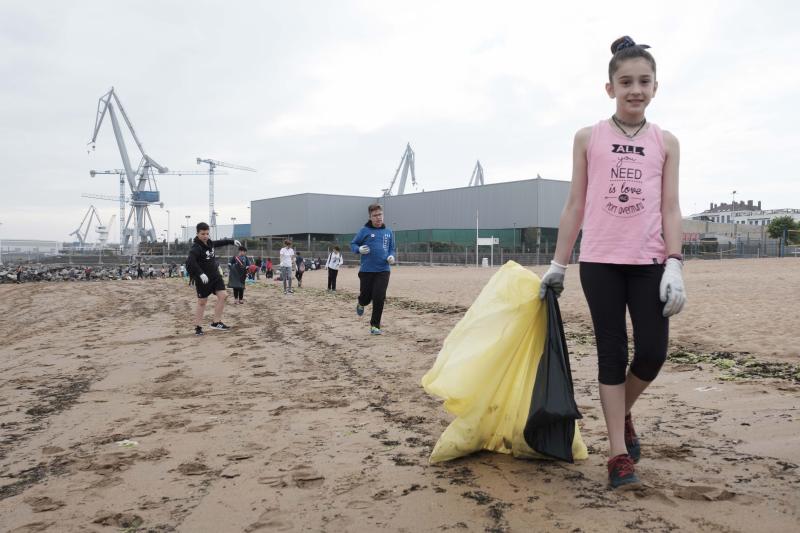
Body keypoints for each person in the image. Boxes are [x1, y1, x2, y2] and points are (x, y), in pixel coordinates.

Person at [539, 36, 686, 490]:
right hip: (600, 262)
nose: (635, 89)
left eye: (644, 81)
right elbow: (574, 205)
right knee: (611, 353)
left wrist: (675, 262)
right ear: (610, 88)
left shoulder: (667, 141)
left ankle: (622, 413)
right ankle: (618, 457)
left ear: (656, 87)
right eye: (626, 82)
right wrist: (559, 264)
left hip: (649, 262)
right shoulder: (589, 137)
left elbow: (671, 207)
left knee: (652, 353)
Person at [186, 221, 242, 335]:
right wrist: (200, 274)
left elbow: (220, 242)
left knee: (223, 295)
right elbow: (190, 262)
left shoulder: (210, 243)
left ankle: (216, 322)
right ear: (197, 234)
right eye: (203, 234)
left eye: (207, 233)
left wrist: (232, 241)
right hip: (203, 279)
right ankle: (198, 327)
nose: (205, 236)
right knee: (202, 302)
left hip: (215, 276)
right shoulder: (196, 248)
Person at [351, 203, 396, 335]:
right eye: (375, 215)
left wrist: (391, 256)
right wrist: (358, 249)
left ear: (383, 215)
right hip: (367, 271)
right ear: (370, 217)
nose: (378, 218)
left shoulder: (388, 232)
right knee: (366, 298)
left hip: (383, 270)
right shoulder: (364, 231)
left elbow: (392, 248)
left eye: (380, 214)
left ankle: (375, 325)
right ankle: (361, 302)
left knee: (379, 297)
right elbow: (353, 244)